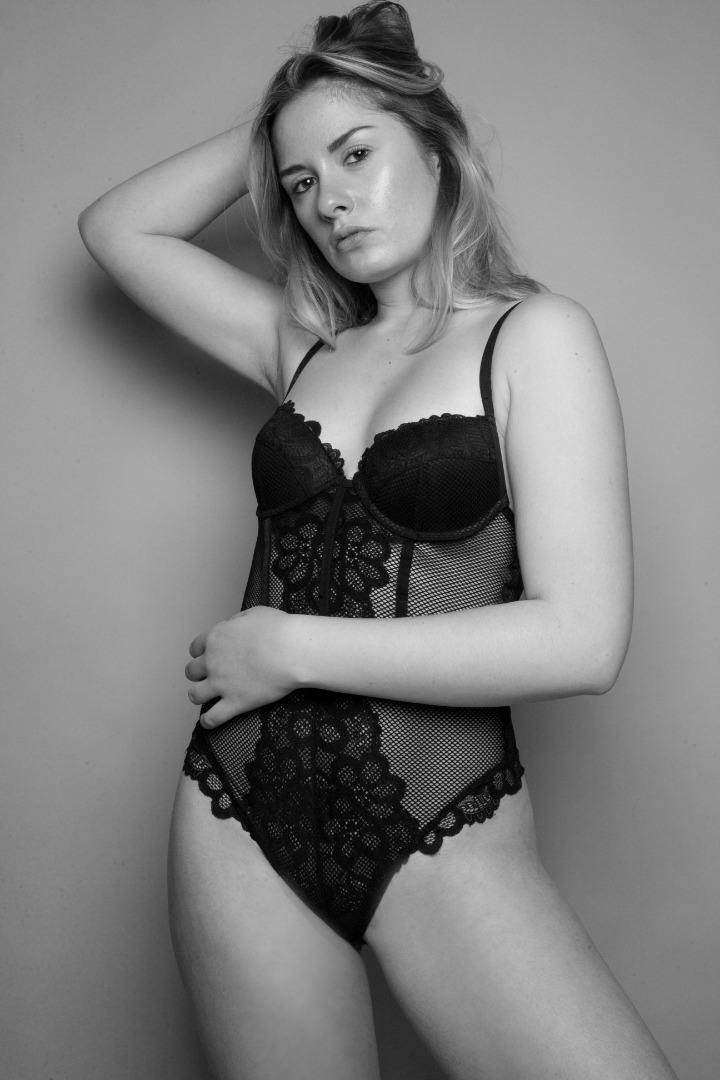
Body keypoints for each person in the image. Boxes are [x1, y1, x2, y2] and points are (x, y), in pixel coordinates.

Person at [78, 4, 679, 1078]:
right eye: (301, 182)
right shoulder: (302, 346)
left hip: (439, 813)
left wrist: (291, 648)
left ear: (436, 144)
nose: (330, 201)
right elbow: (117, 230)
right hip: (237, 813)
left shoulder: (534, 336)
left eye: (357, 154)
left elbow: (583, 640)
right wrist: (288, 117)